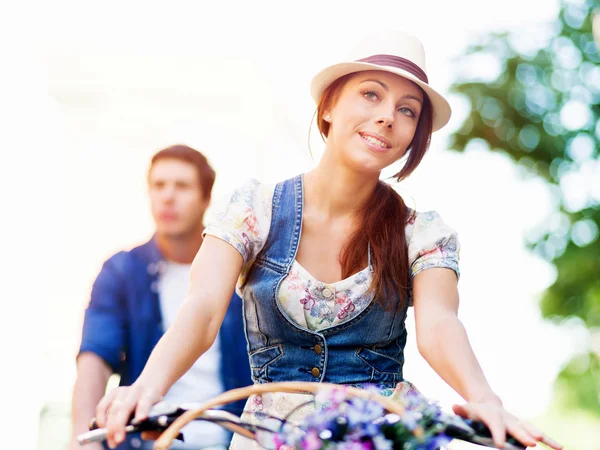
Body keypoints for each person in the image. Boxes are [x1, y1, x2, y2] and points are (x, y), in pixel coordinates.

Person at [94, 32, 562, 450]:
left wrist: (483, 398)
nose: (386, 118)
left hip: (379, 435)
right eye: (370, 95)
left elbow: (439, 325)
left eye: (406, 110)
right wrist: (146, 388)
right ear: (328, 107)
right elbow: (201, 309)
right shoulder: (252, 209)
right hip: (272, 435)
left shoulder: (422, 233)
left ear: (414, 134)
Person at [68, 145, 252, 450]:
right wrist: (81, 439)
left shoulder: (239, 270)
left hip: (231, 440)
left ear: (206, 198)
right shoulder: (122, 271)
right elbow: (95, 358)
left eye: (182, 186)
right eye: (159, 185)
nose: (168, 196)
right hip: (147, 441)